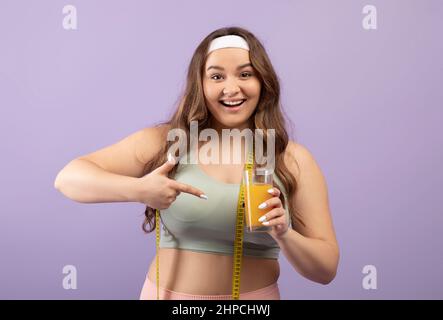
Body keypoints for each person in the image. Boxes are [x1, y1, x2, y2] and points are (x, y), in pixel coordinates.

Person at [54, 26, 340, 300]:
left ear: (263, 81)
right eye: (217, 77)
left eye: (245, 74)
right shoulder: (168, 142)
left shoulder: (290, 158)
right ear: (200, 84)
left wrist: (284, 233)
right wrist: (140, 190)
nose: (232, 88)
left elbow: (325, 270)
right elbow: (68, 179)